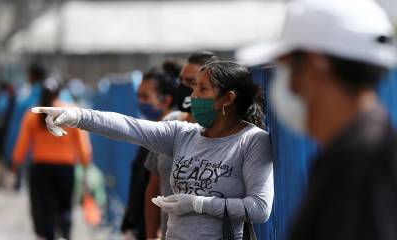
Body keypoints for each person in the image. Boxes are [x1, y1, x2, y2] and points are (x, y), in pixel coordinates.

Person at [32, 61, 274, 239]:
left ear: (227, 99)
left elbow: (259, 208)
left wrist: (198, 204)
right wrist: (77, 116)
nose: (192, 96)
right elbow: (129, 127)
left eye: (202, 89)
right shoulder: (182, 134)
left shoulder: (252, 141)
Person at [247, 0, 397, 239]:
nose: (288, 85)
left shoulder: (359, 157)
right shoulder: (361, 145)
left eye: (287, 70)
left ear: (316, 67)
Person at [144, 52, 220, 239]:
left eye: (192, 82)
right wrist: (151, 234)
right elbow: (153, 186)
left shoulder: (227, 132)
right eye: (181, 81)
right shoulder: (170, 125)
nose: (184, 89)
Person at [12, 78, 92, 240]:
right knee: (65, 206)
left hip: (41, 169)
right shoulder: (70, 112)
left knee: (44, 208)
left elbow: (22, 143)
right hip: (65, 169)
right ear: (59, 92)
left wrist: (16, 162)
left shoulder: (32, 115)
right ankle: (66, 233)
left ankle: (49, 235)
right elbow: (82, 144)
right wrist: (85, 163)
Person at [121, 60, 181, 240]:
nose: (140, 102)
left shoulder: (173, 138)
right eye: (138, 96)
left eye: (145, 97)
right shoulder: (149, 135)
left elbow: (155, 189)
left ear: (166, 100)